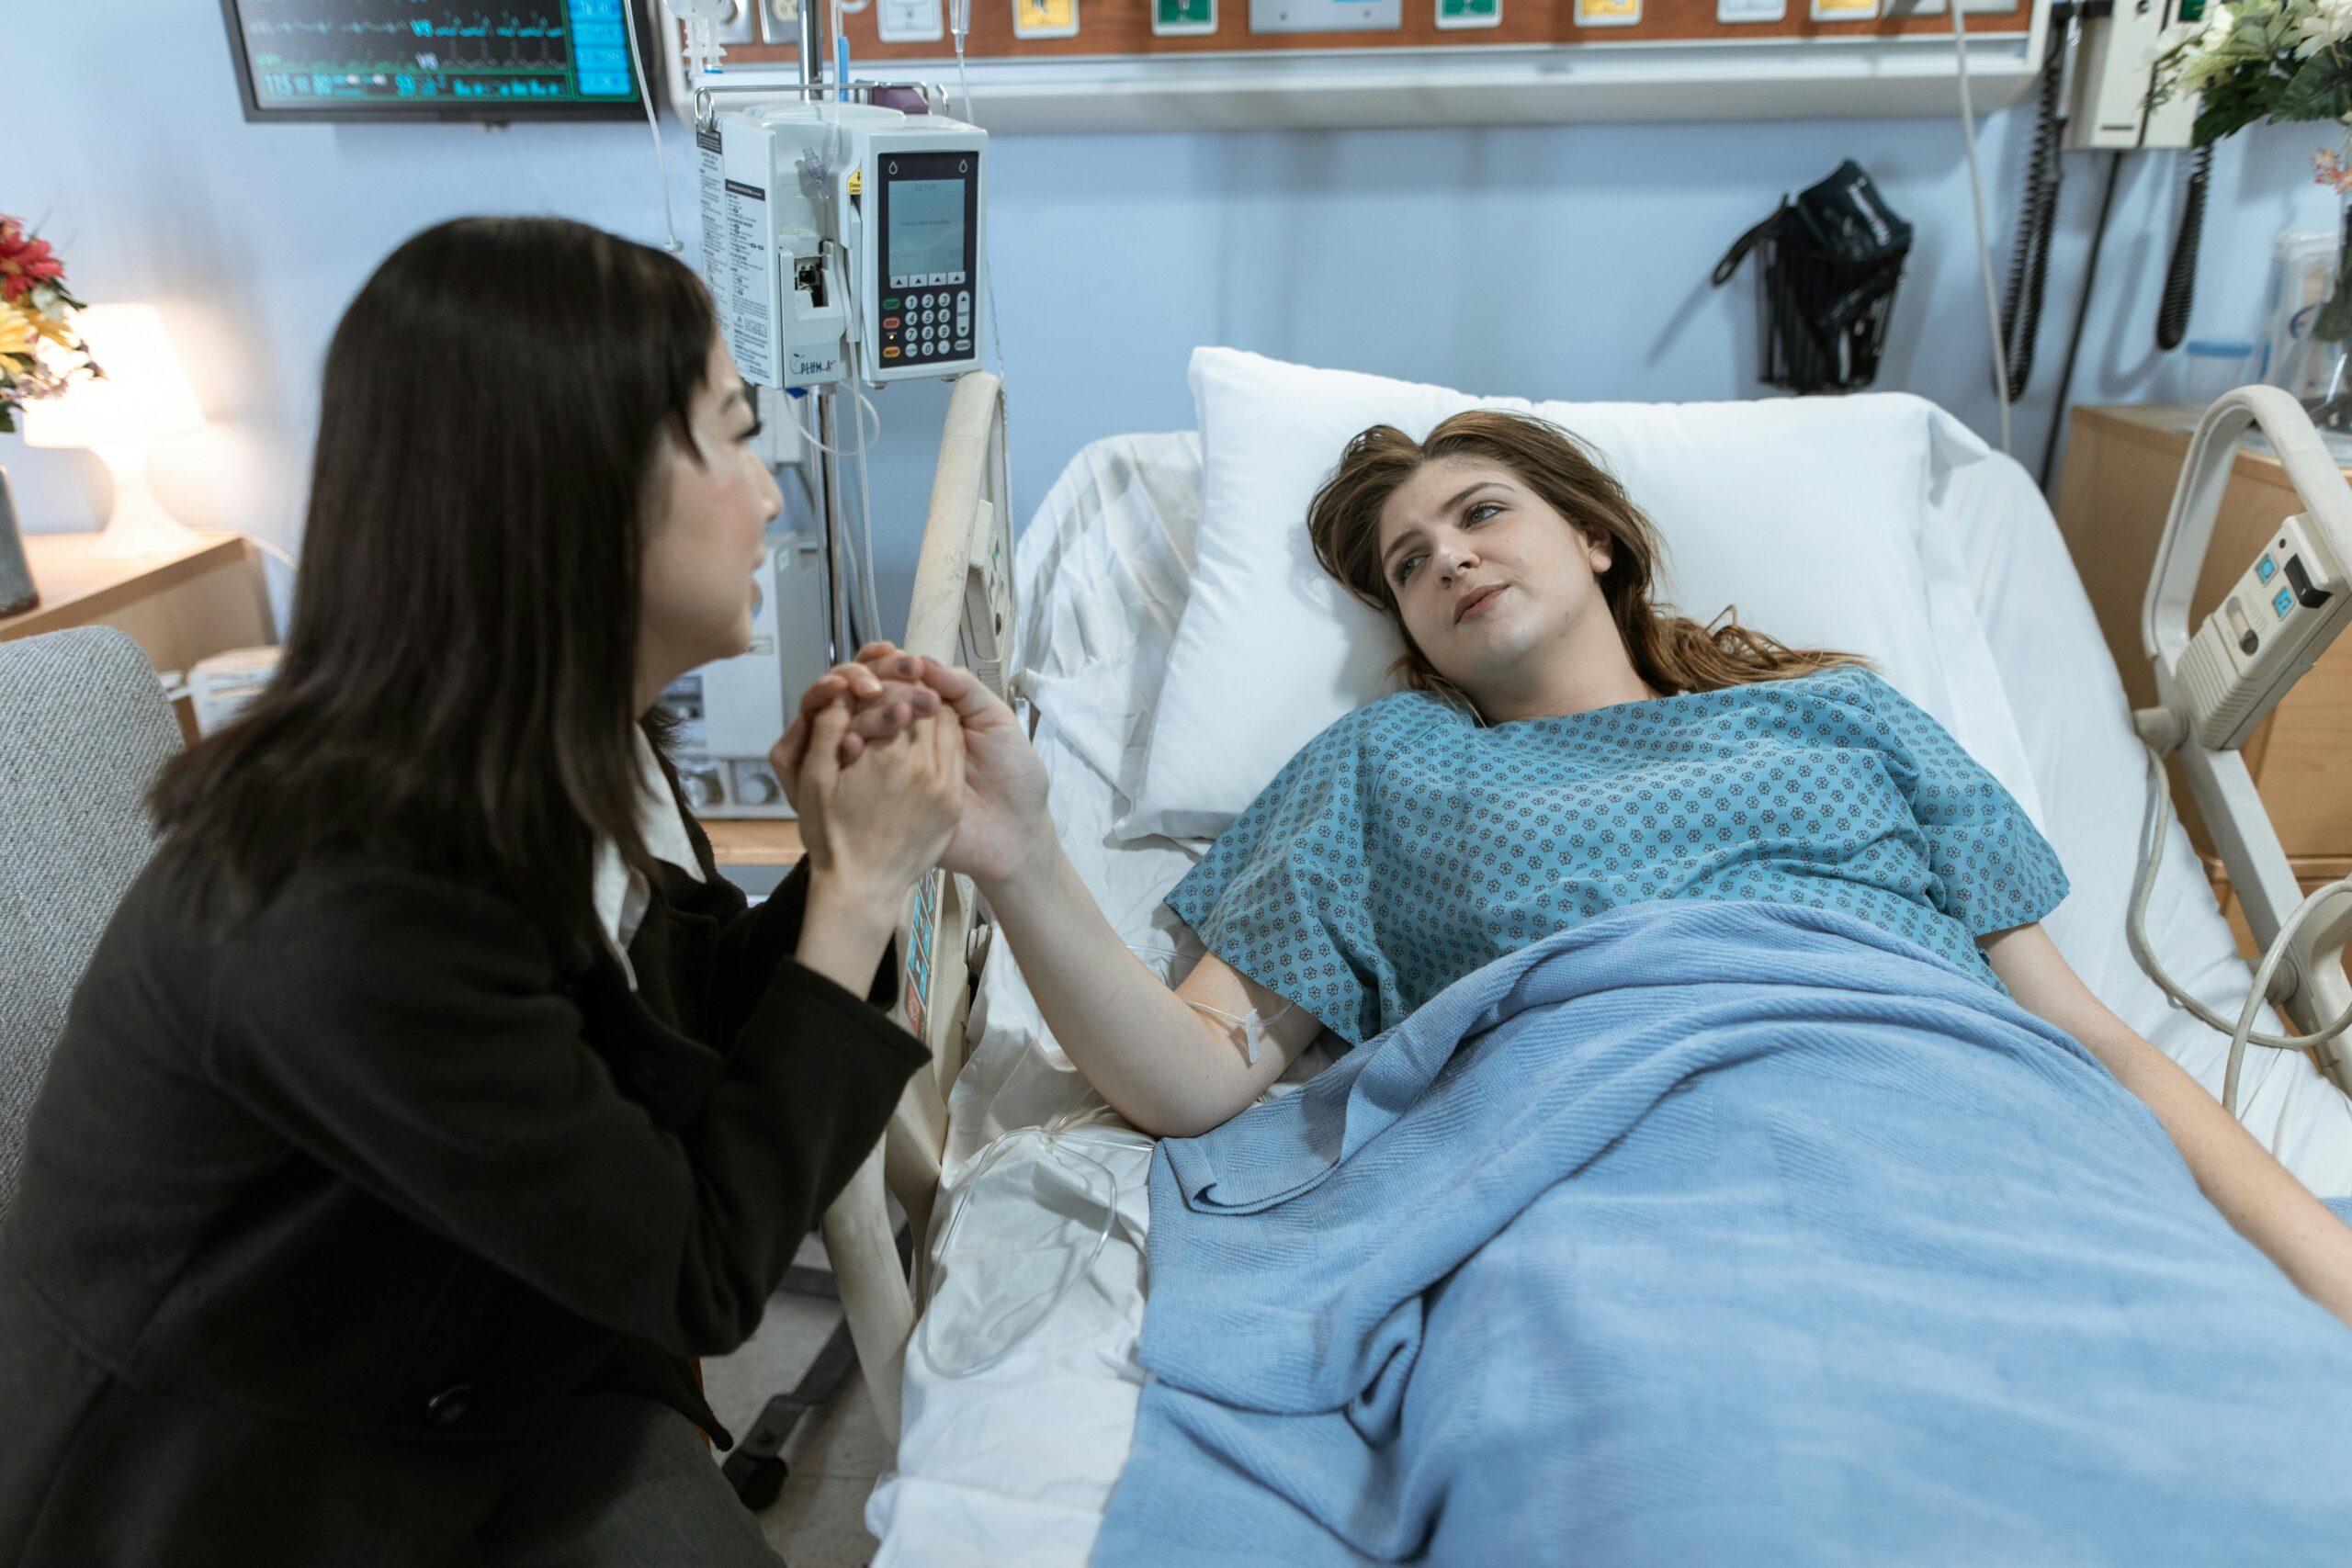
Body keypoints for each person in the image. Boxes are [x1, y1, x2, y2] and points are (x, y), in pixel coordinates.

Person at [809, 407, 2352, 1332]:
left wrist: (2332, 1279)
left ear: (1598, 539)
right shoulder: (1388, 766)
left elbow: (2084, 1038)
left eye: (1481, 514)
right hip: (1624, 1188)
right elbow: (1202, 1079)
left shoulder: (1842, 713)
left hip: (1964, 1126)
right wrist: (1014, 857)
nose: (1449, 560)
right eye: (1409, 566)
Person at [0, 217, 956, 1566]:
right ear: (584, 489)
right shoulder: (355, 896)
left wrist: (837, 851)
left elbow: (654, 1059)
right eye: (737, 436)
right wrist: (857, 894)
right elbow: (701, 1270)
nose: (774, 493)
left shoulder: (569, 747)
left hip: (479, 1340)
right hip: (253, 1485)